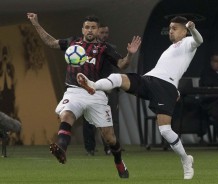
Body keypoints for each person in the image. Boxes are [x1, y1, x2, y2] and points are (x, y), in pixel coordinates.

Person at [77, 16, 203, 180]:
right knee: (118, 78)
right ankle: (93, 85)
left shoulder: (188, 42)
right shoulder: (170, 48)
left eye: (174, 28)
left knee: (165, 130)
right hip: (149, 79)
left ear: (184, 31)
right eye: (170, 28)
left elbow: (199, 41)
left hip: (165, 87)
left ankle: (186, 160)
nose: (171, 31)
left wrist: (193, 29)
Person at [27, 12, 141, 178]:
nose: (90, 30)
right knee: (66, 115)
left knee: (109, 137)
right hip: (74, 91)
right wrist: (36, 23)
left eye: (93, 28)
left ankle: (119, 162)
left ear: (97, 30)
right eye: (87, 27)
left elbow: (122, 64)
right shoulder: (73, 43)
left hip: (96, 93)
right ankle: (61, 149)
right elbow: (51, 42)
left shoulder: (104, 48)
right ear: (82, 29)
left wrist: (130, 54)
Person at [82, 24, 118, 156]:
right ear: (97, 33)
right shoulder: (84, 49)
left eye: (106, 33)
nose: (105, 35)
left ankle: (110, 146)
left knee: (110, 118)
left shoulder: (111, 49)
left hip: (109, 87)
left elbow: (117, 67)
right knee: (89, 120)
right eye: (102, 32)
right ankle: (90, 148)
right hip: (92, 87)